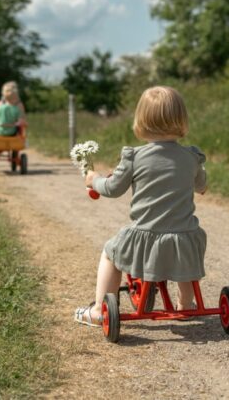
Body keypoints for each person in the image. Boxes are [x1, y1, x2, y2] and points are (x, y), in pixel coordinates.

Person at [74, 86, 208, 326]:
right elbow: (202, 185)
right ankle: (186, 305)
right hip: (185, 238)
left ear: (141, 121)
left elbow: (113, 188)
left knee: (110, 253)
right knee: (183, 252)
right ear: (182, 119)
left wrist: (94, 180)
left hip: (145, 239)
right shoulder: (191, 157)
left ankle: (97, 310)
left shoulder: (135, 157)